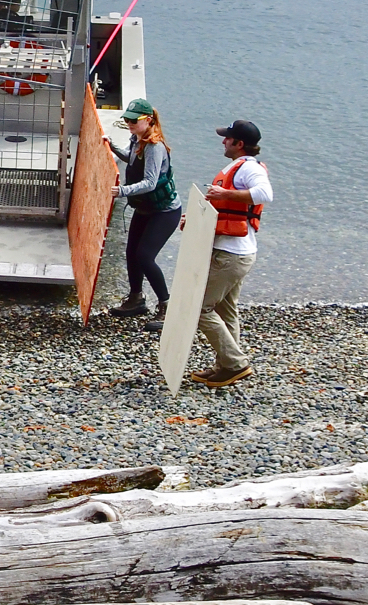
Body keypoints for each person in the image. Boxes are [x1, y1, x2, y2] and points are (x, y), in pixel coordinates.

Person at [186, 119, 273, 388]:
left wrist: (225, 193)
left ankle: (235, 363)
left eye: (228, 138)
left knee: (199, 308)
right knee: (225, 310)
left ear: (239, 144)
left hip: (231, 256)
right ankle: (225, 367)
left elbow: (265, 194)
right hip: (238, 253)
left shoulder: (248, 168)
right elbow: (219, 208)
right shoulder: (236, 168)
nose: (223, 141)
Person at [108, 99, 182, 332]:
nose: (129, 123)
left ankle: (166, 305)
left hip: (165, 211)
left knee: (145, 256)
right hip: (145, 209)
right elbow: (132, 159)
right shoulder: (137, 139)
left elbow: (150, 183)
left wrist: (121, 191)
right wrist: (111, 147)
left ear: (148, 120)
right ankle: (136, 299)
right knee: (131, 253)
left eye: (133, 120)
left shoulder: (154, 146)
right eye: (127, 120)